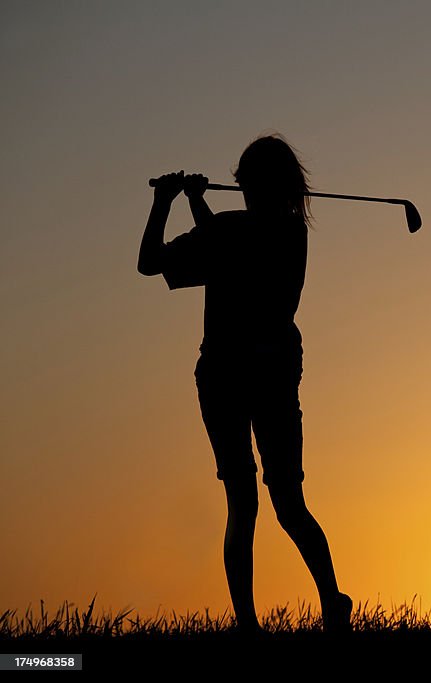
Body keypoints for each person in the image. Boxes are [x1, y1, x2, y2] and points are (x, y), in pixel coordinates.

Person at [137, 135, 353, 635]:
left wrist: (165, 202)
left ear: (246, 185)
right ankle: (329, 601)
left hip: (225, 375)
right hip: (272, 372)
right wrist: (194, 202)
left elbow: (152, 261)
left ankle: (249, 624)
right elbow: (225, 244)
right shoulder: (292, 232)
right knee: (288, 503)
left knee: (244, 501)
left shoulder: (238, 230)